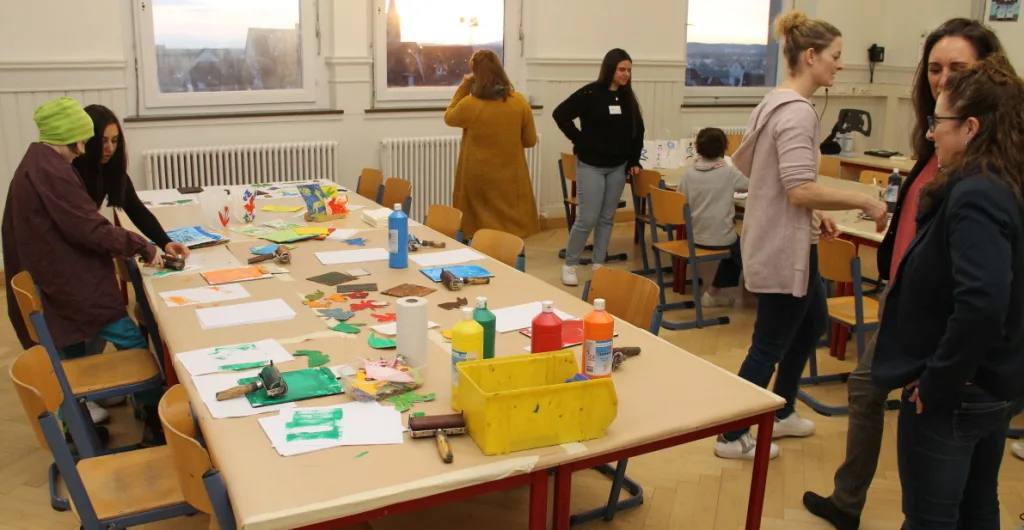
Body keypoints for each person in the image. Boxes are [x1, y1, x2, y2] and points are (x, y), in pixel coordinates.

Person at [802, 18, 1006, 530]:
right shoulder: (941, 146)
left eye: (957, 68)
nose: (943, 78)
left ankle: (857, 504)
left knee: (943, 496)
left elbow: (983, 294)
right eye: (934, 68)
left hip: (944, 330)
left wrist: (939, 376)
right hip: (908, 300)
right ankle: (848, 501)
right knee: (868, 392)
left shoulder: (982, 178)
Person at [714, 10, 887, 461]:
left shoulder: (775, 102)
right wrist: (864, 202)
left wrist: (817, 214)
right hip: (782, 248)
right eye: (835, 55)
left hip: (787, 238)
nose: (840, 64)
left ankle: (783, 410)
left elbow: (779, 182)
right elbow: (798, 188)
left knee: (811, 324)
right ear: (811, 56)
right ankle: (731, 436)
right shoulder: (797, 114)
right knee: (768, 344)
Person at [870, 54, 1024, 530]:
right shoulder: (1006, 182)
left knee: (931, 518)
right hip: (991, 384)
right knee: (978, 507)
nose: (932, 133)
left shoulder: (977, 193)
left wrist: (938, 380)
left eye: (939, 122)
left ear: (971, 127)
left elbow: (983, 302)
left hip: (959, 392)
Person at [1, 97, 163, 438]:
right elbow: (90, 228)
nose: (84, 150)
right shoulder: (53, 172)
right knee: (132, 339)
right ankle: (152, 415)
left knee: (72, 351)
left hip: (50, 281)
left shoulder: (37, 161)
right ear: (72, 137)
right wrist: (141, 244)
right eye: (85, 141)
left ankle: (78, 429)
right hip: (66, 283)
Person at [553, 48, 645, 286]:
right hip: (591, 166)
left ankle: (598, 264)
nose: (626, 74)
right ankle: (570, 264)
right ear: (611, 69)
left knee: (606, 218)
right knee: (587, 218)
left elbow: (638, 130)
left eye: (629, 70)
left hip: (617, 167)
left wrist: (634, 160)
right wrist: (579, 139)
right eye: (622, 69)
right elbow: (560, 114)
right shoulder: (591, 93)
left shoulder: (627, 97)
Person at [444, 50, 540, 240]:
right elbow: (530, 141)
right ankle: (510, 255)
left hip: (478, 178)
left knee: (479, 230)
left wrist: (465, 84)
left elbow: (449, 116)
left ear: (476, 74)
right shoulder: (519, 102)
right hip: (511, 179)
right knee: (510, 230)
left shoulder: (470, 104)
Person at [676, 127, 748, 307]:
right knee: (745, 248)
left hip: (694, 237)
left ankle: (716, 292)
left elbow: (680, 201)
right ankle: (717, 291)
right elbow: (751, 184)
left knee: (736, 249)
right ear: (724, 149)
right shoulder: (728, 173)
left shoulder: (688, 174)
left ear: (696, 147)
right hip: (722, 238)